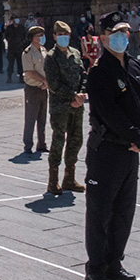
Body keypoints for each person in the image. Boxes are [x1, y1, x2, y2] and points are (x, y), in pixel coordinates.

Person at [83, 13, 140, 280]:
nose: (122, 37)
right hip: (107, 150)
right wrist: (137, 135)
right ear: (102, 38)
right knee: (100, 210)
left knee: (125, 210)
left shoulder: (134, 65)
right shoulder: (100, 71)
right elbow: (108, 112)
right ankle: (96, 266)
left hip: (131, 150)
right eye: (115, 33)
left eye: (125, 32)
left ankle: (115, 262)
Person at [45, 19, 88, 196]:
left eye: (66, 34)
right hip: (60, 107)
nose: (63, 37)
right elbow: (54, 84)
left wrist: (82, 93)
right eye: (59, 34)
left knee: (76, 140)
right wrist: (73, 96)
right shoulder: (51, 57)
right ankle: (53, 181)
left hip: (76, 106)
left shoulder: (75, 53)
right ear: (54, 36)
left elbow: (83, 75)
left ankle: (69, 178)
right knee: (58, 141)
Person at [20, 25, 50, 156]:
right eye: (38, 36)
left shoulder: (44, 50)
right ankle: (28, 145)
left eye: (42, 36)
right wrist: (44, 81)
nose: (41, 38)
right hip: (33, 88)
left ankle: (42, 144)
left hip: (43, 88)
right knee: (31, 118)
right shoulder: (27, 53)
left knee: (42, 118)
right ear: (32, 38)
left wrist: (46, 83)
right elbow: (29, 72)